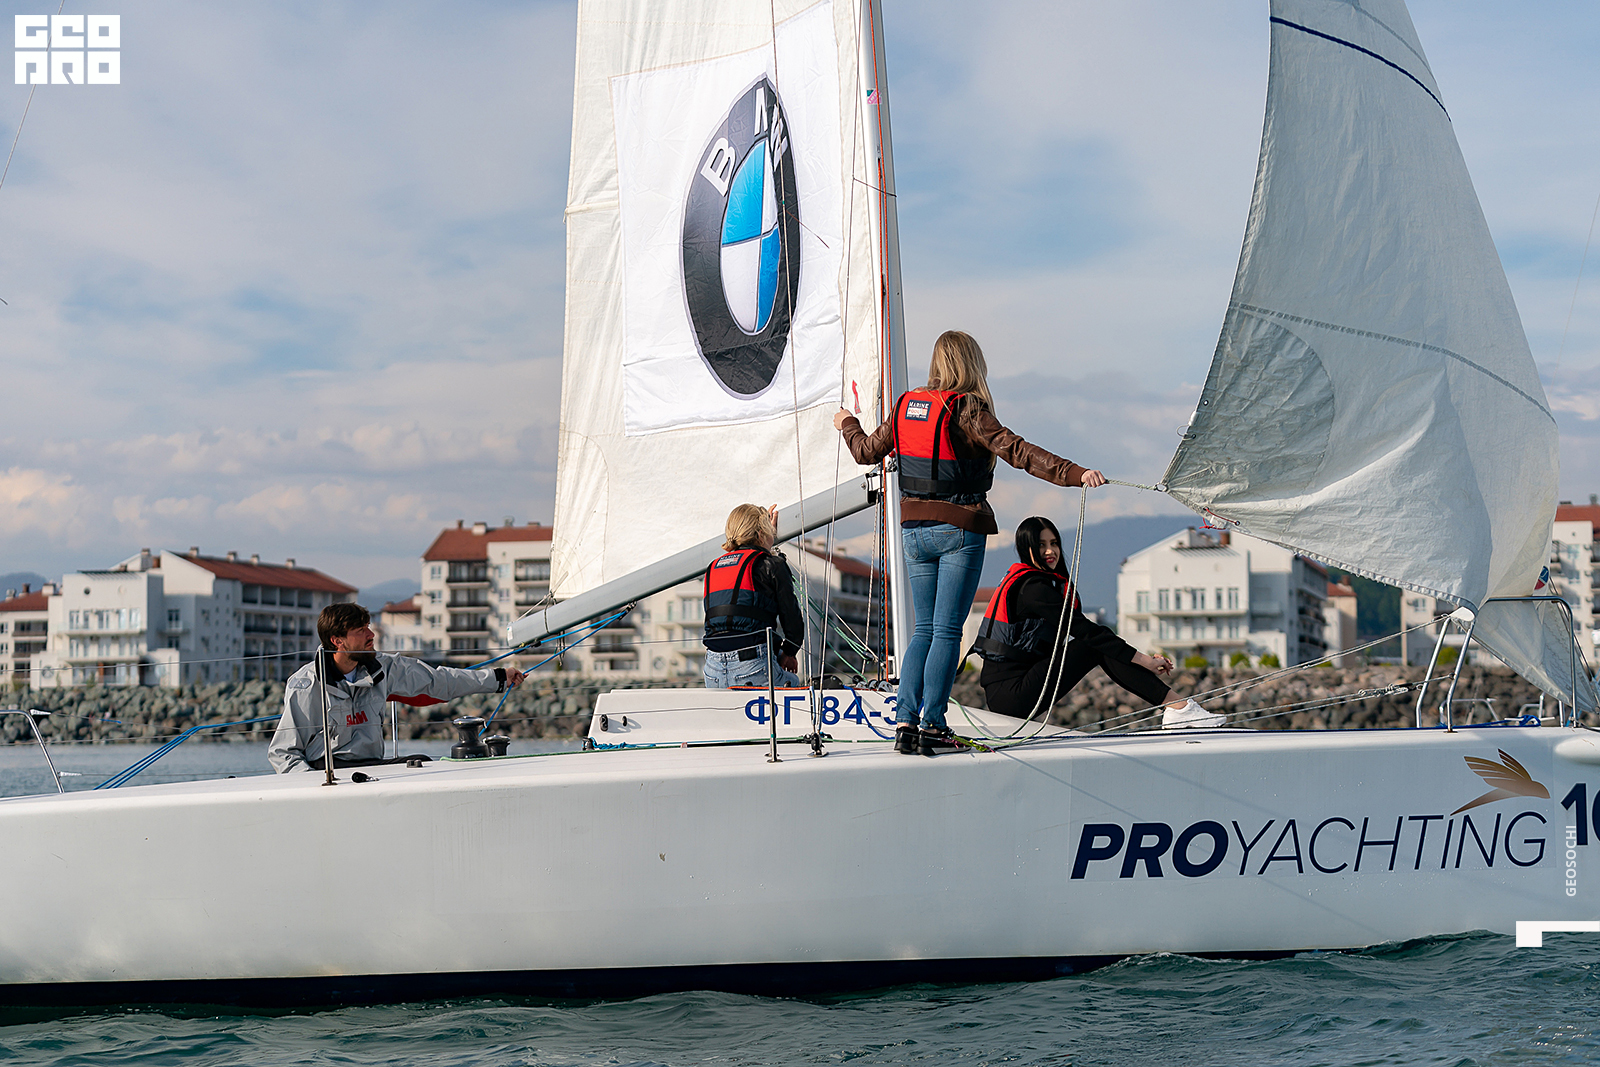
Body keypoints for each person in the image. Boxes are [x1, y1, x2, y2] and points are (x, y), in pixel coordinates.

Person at [835, 330, 1109, 755]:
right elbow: (1019, 452)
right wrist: (1076, 474)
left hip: (913, 531)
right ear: (972, 365)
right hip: (958, 528)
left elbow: (865, 451)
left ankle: (905, 723)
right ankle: (933, 725)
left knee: (923, 630)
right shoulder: (967, 409)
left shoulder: (906, 405)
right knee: (946, 631)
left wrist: (848, 424)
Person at [977, 516, 1221, 728]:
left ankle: (1178, 708)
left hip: (1016, 687)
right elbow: (1086, 631)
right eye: (1041, 545)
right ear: (1026, 548)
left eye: (1054, 543)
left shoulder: (1037, 584)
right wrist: (1145, 661)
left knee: (1097, 643)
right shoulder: (1033, 589)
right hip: (1010, 695)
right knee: (1093, 644)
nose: (1050, 551)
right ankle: (1179, 708)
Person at [267, 603, 526, 773]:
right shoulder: (306, 685)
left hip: (370, 770)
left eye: (368, 627)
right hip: (327, 772)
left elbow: (439, 681)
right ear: (337, 641)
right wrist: (315, 787)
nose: (371, 635)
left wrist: (497, 678)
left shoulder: (384, 668)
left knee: (423, 764)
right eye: (361, 630)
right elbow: (283, 753)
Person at [702, 503, 807, 689]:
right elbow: (791, 619)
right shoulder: (771, 565)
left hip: (713, 669)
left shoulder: (713, 567)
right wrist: (789, 652)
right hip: (752, 666)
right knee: (795, 685)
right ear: (760, 533)